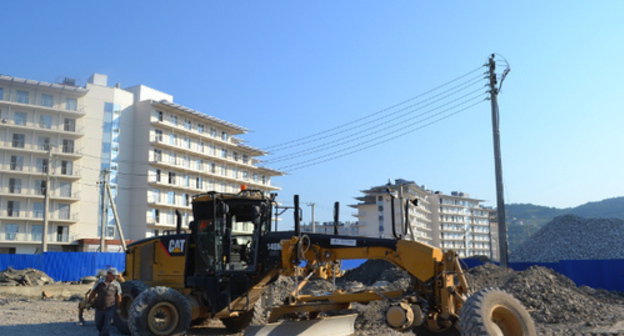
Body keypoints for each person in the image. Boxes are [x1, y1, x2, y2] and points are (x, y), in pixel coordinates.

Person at [87, 267, 122, 336]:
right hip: (99, 307)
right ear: (108, 274)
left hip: (110, 308)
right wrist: (89, 302)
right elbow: (93, 292)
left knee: (107, 326)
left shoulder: (117, 284)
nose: (115, 277)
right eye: (113, 275)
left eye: (115, 276)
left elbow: (118, 296)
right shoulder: (100, 282)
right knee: (98, 324)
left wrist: (118, 307)